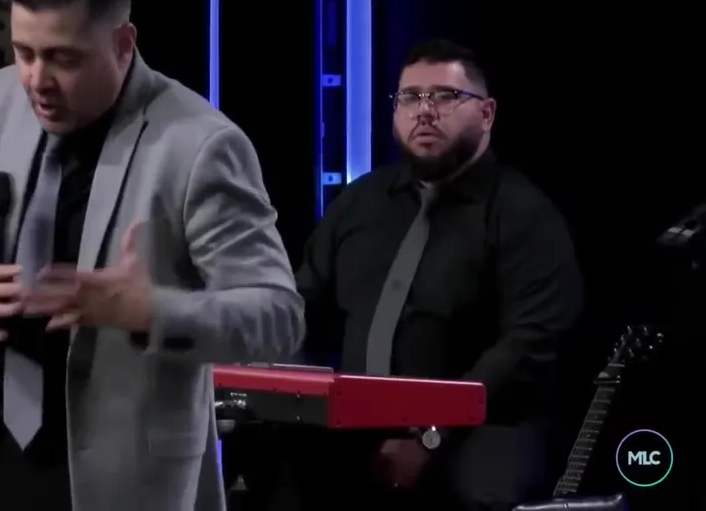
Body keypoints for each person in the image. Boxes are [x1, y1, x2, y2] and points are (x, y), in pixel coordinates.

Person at [0, 0, 304, 511]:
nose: (37, 80)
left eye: (63, 59)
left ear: (123, 46)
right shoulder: (2, 97)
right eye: (24, 52)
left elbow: (278, 315)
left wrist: (152, 311)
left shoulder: (200, 146)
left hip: (127, 481)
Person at [246, 39, 584, 511]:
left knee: (481, 488)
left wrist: (431, 434)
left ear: (486, 114)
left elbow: (527, 347)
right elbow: (299, 305)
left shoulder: (524, 216)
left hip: (482, 425)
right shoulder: (360, 203)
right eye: (410, 97)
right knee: (270, 463)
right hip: (356, 420)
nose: (424, 111)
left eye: (445, 96)